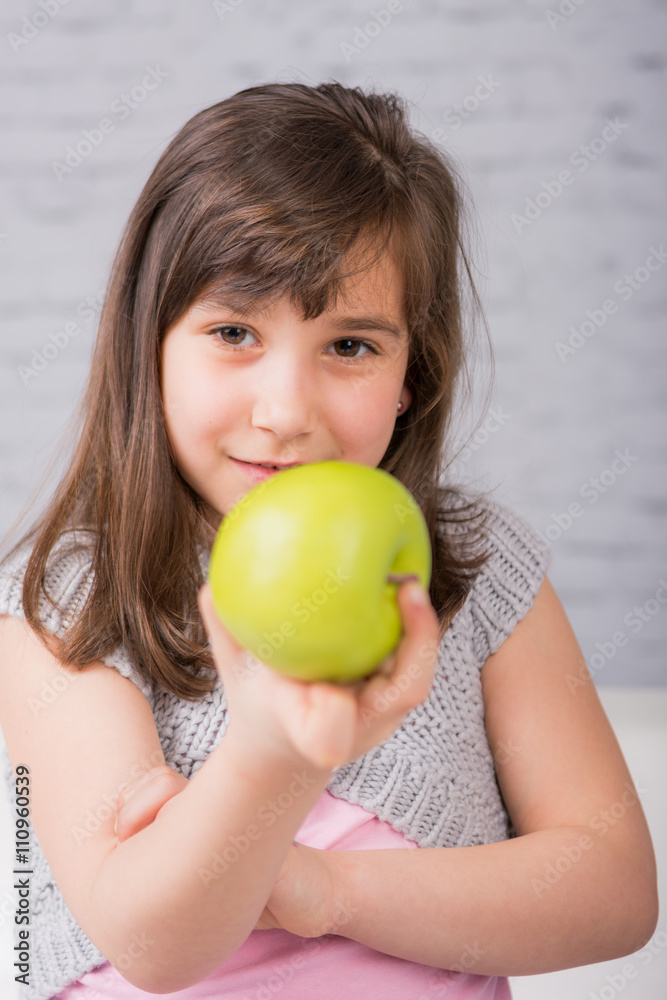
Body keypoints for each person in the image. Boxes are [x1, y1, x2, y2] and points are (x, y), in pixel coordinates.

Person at [0, 81, 657, 1000]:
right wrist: (271, 755)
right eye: (233, 332)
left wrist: (327, 890)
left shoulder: (472, 567)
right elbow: (150, 941)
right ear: (147, 349)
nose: (285, 413)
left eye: (349, 347)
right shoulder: (68, 601)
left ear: (410, 379)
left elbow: (613, 891)